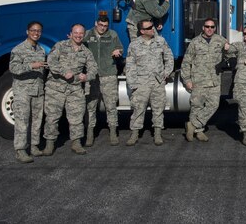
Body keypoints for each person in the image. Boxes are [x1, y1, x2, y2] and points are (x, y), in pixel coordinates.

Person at [43, 24, 98, 156]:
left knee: (76, 117)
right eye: (76, 33)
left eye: (81, 33)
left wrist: (87, 76)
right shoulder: (60, 46)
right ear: (71, 33)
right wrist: (63, 72)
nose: (78, 36)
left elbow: (93, 68)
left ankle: (76, 143)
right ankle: (49, 144)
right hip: (56, 87)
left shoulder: (86, 51)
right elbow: (50, 61)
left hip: (75, 88)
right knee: (52, 117)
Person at [125, 19, 174, 146]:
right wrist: (133, 84)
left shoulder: (160, 41)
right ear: (142, 31)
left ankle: (157, 134)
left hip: (157, 82)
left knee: (158, 109)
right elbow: (130, 65)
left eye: (152, 26)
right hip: (141, 83)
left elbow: (169, 57)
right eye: (149, 27)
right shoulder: (134, 45)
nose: (153, 28)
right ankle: (134, 134)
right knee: (138, 109)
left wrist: (166, 72)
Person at [182, 18, 228, 142]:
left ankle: (192, 125)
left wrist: (228, 53)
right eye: (207, 26)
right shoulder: (195, 42)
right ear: (203, 28)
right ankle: (199, 131)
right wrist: (187, 80)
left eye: (212, 27)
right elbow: (186, 62)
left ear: (215, 28)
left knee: (213, 105)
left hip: (214, 80)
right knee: (196, 106)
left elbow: (230, 53)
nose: (209, 29)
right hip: (199, 80)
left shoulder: (220, 40)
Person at [9, 21, 47, 163]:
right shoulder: (18, 49)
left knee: (37, 120)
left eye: (38, 31)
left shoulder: (41, 50)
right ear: (27, 32)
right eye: (33, 30)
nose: (36, 33)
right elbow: (13, 68)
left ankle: (34, 146)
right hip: (23, 90)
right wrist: (32, 65)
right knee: (22, 120)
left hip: (38, 90)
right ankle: (20, 150)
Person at [83, 15, 123, 146]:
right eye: (100, 25)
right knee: (91, 107)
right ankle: (89, 134)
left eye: (105, 26)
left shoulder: (112, 34)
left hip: (108, 75)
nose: (102, 28)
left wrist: (118, 52)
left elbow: (120, 48)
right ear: (96, 23)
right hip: (92, 76)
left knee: (111, 106)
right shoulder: (87, 34)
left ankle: (113, 133)